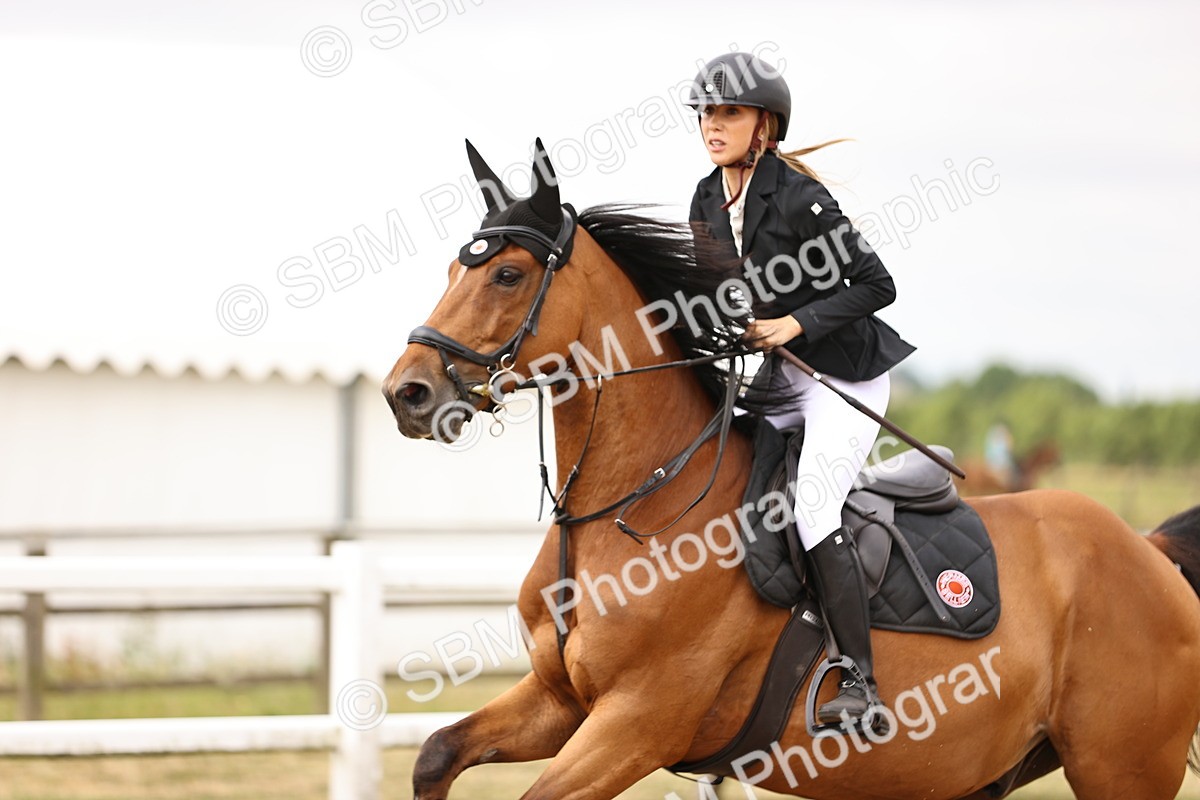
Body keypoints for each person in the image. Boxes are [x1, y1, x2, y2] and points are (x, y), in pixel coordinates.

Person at [685, 52, 916, 729]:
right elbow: (713, 295)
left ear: (766, 125)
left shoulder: (800, 197)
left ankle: (861, 682)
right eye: (706, 113)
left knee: (814, 511)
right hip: (781, 379)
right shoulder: (706, 196)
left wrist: (795, 321)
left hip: (845, 376)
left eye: (728, 112)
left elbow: (879, 286)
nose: (712, 124)